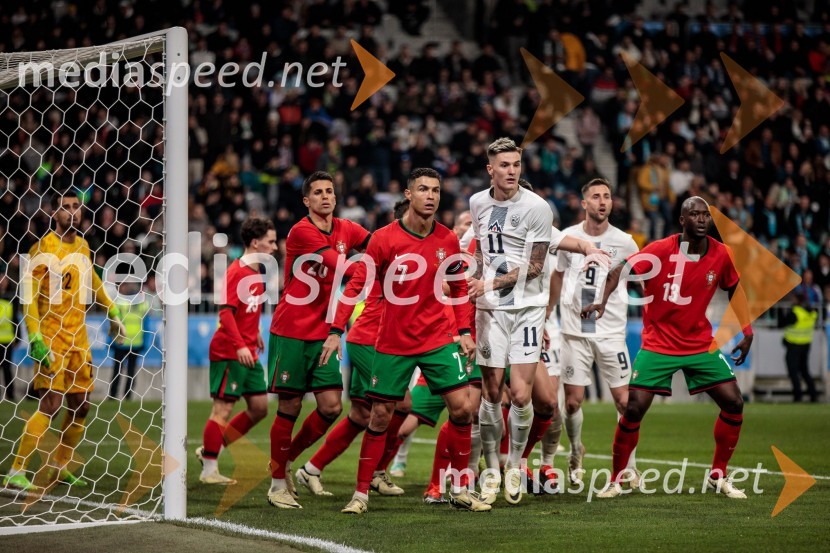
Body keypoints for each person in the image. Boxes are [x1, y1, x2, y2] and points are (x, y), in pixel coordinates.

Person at [321, 167, 489, 514]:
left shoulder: (446, 240)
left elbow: (458, 287)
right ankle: (361, 494)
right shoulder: (383, 239)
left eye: (436, 190)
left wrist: (464, 332)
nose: (431, 196)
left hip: (437, 340)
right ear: (408, 195)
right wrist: (336, 331)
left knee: (463, 409)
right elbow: (355, 287)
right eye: (424, 189)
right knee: (379, 415)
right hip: (393, 342)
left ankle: (458, 488)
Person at [583, 196, 753, 499]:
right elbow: (619, 270)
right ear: (682, 221)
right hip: (659, 343)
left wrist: (747, 328)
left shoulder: (722, 254)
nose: (702, 220)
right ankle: (616, 479)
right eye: (695, 215)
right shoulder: (660, 250)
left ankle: (718, 474)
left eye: (705, 215)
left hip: (699, 343)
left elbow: (735, 288)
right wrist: (602, 300)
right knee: (633, 408)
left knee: (734, 402)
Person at [468, 138, 608, 505]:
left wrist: (489, 282)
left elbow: (533, 267)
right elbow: (482, 249)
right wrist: (476, 279)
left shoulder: (538, 208)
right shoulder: (477, 203)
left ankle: (515, 464)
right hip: (490, 312)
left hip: (528, 310)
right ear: (491, 169)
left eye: (516, 164)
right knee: (490, 393)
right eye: (504, 165)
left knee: (521, 394)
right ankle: (492, 470)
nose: (512, 170)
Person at [4, 188, 126, 491]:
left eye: (76, 207)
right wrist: (35, 337)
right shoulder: (43, 247)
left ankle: (59, 466)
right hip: (51, 338)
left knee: (81, 404)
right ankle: (16, 471)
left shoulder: (83, 246)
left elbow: (93, 280)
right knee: (51, 403)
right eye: (65, 207)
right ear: (54, 213)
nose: (72, 212)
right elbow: (28, 296)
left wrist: (112, 311)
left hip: (78, 339)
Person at [294, 199, 412, 498]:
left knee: (360, 415)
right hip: (369, 340)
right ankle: (377, 470)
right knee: (402, 404)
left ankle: (311, 469)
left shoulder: (413, 253)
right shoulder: (386, 252)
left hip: (376, 339)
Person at [267, 171, 370, 509]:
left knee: (330, 407)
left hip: (324, 332)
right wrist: (373, 269)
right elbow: (343, 267)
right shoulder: (301, 232)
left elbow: (377, 247)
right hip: (292, 330)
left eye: (330, 191)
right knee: (290, 406)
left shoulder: (346, 228)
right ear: (306, 201)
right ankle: (277, 483)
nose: (325, 197)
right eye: (318, 193)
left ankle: (286, 461)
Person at [550, 178, 641, 486]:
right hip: (575, 332)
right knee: (573, 402)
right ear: (584, 203)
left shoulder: (626, 242)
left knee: (625, 402)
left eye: (607, 196)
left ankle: (629, 465)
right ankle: (576, 451)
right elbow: (558, 276)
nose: (603, 201)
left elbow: (641, 280)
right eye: (596, 197)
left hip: (611, 332)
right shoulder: (568, 237)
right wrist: (549, 314)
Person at [196, 217, 277, 484]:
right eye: (271, 242)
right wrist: (241, 343)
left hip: (248, 350)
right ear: (256, 243)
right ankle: (209, 470)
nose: (275, 248)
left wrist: (254, 333)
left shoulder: (255, 273)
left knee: (259, 407)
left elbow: (245, 309)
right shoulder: (236, 272)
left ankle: (211, 449)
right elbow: (226, 313)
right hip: (230, 351)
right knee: (222, 410)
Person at [109, 279, 150, 400]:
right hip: (133, 342)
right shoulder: (143, 303)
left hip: (122, 342)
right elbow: (147, 324)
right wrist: (145, 341)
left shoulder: (119, 302)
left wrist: (110, 340)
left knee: (119, 370)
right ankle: (126, 396)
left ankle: (114, 396)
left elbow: (113, 322)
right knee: (129, 371)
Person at [780, 291, 819, 403]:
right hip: (806, 346)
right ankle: (813, 395)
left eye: (793, 299)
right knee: (805, 371)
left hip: (793, 346)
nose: (791, 301)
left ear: (797, 301)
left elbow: (781, 323)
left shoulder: (795, 313)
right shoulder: (811, 313)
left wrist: (784, 313)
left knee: (793, 372)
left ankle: (798, 396)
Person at [0, 273, 19, 401]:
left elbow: (14, 320)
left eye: (4, 279)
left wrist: (17, 337)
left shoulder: (11, 298)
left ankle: (10, 395)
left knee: (7, 369)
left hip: (7, 341)